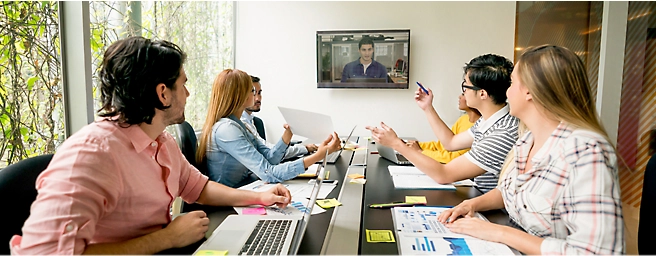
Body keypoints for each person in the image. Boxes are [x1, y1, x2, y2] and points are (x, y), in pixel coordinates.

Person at [10, 37, 292, 255]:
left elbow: (199, 188)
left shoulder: (161, 140)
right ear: (163, 93)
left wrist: (260, 198)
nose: (188, 93)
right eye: (183, 84)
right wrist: (167, 238)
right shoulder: (91, 154)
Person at [437, 45, 624, 254]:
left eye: (512, 83)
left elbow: (596, 252)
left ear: (529, 91)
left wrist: (498, 232)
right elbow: (512, 193)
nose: (507, 92)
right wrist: (472, 205)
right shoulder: (527, 139)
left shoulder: (586, 151)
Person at [367, 54, 518, 192]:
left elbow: (444, 175)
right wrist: (428, 108)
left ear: (482, 93)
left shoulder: (502, 132)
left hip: (492, 209)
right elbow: (451, 143)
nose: (463, 91)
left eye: (465, 86)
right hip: (477, 196)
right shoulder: (490, 121)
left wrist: (396, 144)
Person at [197, 69, 341, 188]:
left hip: (247, 188)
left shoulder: (240, 125)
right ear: (239, 95)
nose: (255, 94)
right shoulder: (226, 129)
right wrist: (319, 155)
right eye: (251, 90)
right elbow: (269, 173)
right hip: (228, 203)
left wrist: (288, 133)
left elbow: (271, 158)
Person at [241, 75, 318, 160]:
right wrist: (304, 148)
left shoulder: (254, 121)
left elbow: (269, 153)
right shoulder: (239, 122)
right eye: (253, 93)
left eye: (259, 93)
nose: (257, 98)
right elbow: (270, 152)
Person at [405, 93, 481, 164]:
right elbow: (443, 145)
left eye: (464, 94)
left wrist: (420, 152)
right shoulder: (463, 119)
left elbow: (454, 157)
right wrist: (413, 145)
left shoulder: (479, 128)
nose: (459, 96)